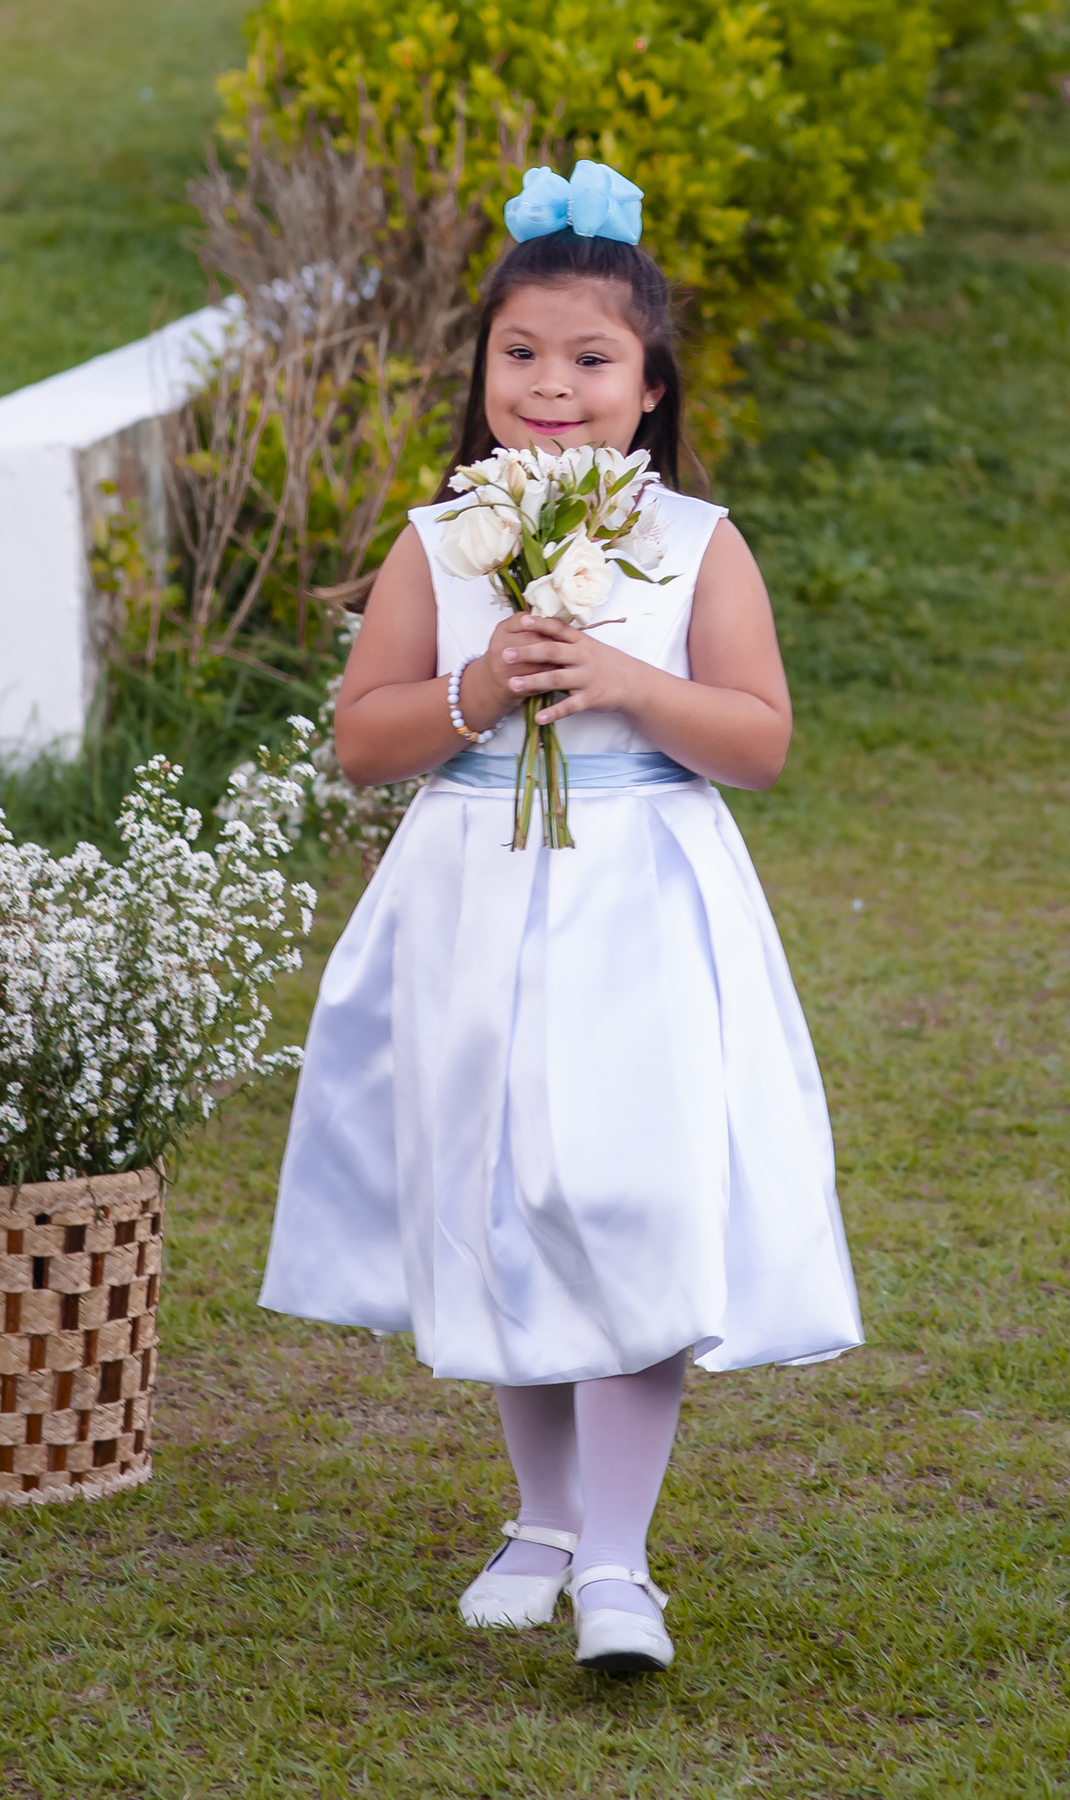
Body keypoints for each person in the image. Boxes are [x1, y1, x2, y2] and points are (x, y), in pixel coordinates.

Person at [259, 160, 863, 1675]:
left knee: (633, 1201)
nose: (553, 384)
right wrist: (479, 688)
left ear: (650, 389)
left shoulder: (695, 545)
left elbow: (761, 742)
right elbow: (364, 736)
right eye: (520, 354)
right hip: (471, 900)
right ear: (482, 372)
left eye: (592, 360)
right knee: (504, 1198)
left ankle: (619, 1561)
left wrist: (626, 684)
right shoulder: (440, 540)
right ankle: (539, 1517)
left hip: (638, 910)